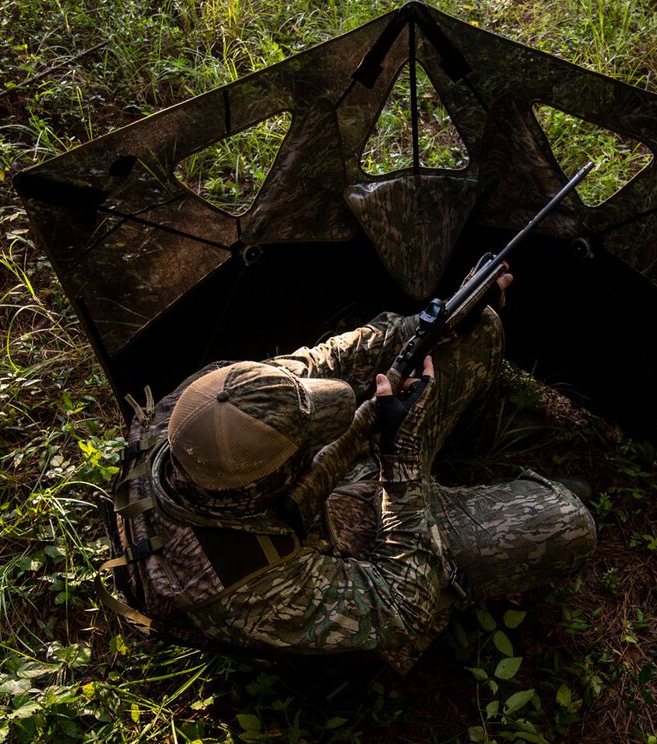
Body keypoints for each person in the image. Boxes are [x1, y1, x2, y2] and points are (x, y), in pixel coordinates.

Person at [104, 276, 596, 671]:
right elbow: (405, 606)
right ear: (273, 480)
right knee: (565, 522)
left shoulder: (204, 403)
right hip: (339, 553)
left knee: (476, 328)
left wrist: (418, 329)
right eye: (307, 436)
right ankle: (465, 501)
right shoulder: (246, 591)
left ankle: (446, 447)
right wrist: (401, 466)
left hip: (316, 494)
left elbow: (322, 360)